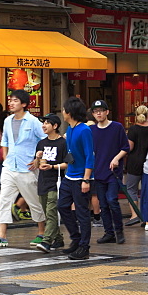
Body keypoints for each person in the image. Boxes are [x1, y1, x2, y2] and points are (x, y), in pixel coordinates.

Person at [0, 90, 46, 249]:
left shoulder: (33, 122)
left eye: (15, 101)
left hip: (27, 167)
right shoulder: (8, 120)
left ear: (24, 104)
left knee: (33, 201)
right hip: (10, 167)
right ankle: (1, 236)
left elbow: (45, 141)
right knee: (4, 200)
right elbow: (5, 139)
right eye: (10, 100)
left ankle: (42, 233)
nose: (11, 103)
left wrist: (38, 160)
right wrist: (5, 156)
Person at [57, 96, 95, 260]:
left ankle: (84, 247)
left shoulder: (84, 130)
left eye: (64, 109)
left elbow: (90, 156)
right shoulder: (70, 130)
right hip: (69, 175)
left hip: (81, 178)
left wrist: (86, 179)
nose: (62, 112)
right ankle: (76, 238)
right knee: (62, 206)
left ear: (70, 112)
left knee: (82, 213)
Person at [89, 100, 129, 245]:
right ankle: (108, 233)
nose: (98, 113)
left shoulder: (117, 127)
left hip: (113, 172)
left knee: (112, 200)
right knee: (103, 204)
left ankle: (119, 230)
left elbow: (125, 147)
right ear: (93, 114)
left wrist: (116, 159)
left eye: (101, 110)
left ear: (107, 112)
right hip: (98, 172)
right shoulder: (92, 130)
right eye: (95, 111)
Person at [34, 114, 67, 253]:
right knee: (48, 214)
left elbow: (68, 163)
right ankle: (58, 239)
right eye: (43, 123)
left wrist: (53, 167)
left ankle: (46, 241)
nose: (44, 125)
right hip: (43, 181)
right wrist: (37, 158)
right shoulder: (41, 143)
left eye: (47, 123)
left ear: (55, 126)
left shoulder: (63, 143)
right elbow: (36, 165)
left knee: (51, 211)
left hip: (56, 182)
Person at [124, 107, 148, 226]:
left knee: (131, 189)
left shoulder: (133, 129)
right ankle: (147, 216)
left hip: (134, 162)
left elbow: (130, 147)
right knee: (146, 189)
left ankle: (135, 214)